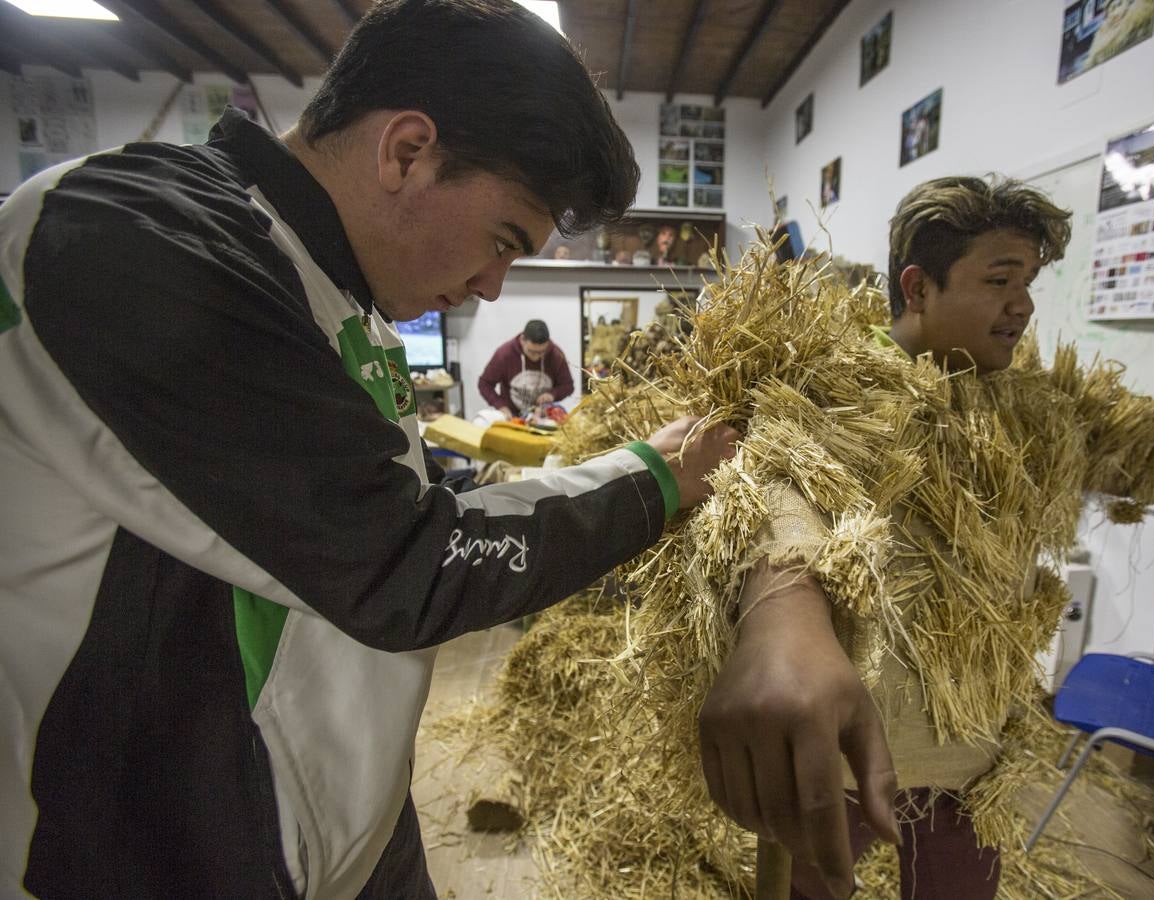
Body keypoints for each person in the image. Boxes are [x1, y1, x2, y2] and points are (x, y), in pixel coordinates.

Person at [0, 1, 738, 897]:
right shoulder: (135, 234)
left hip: (346, 832)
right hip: (175, 857)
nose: (490, 286)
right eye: (504, 239)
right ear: (407, 151)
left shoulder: (338, 293)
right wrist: (653, 476)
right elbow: (403, 560)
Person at [696, 175, 1154, 899]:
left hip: (971, 749)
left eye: (1028, 280)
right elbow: (773, 493)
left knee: (958, 884)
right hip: (855, 737)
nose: (1023, 303)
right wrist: (783, 614)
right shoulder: (836, 390)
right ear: (919, 286)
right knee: (818, 880)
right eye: (999, 279)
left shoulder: (1025, 400)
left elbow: (1113, 430)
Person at [478, 319, 574, 416]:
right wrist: (501, 406)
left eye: (541, 352)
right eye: (532, 351)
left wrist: (552, 394)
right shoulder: (504, 354)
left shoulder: (556, 355)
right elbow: (485, 384)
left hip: (543, 415)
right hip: (512, 416)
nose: (536, 357)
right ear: (522, 340)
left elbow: (568, 386)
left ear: (548, 344)